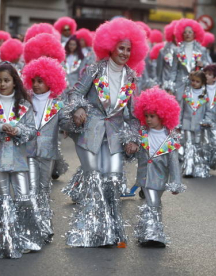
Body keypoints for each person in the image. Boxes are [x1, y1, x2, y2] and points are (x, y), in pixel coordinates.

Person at [64, 18, 147, 247]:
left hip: (114, 137)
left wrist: (132, 139)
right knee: (93, 180)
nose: (125, 53)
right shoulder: (94, 68)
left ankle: (111, 231)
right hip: (90, 133)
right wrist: (79, 108)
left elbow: (131, 116)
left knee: (112, 182)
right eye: (121, 47)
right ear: (110, 46)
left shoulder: (131, 77)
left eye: (129, 49)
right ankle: (87, 231)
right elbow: (75, 93)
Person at [0, 63, 45, 258]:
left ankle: (27, 239)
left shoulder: (24, 104)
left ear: (15, 82)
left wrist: (18, 131)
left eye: (6, 80)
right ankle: (4, 241)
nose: (2, 84)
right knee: (4, 199)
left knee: (23, 197)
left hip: (18, 159)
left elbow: (32, 131)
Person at [132, 86, 186, 247]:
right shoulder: (141, 134)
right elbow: (132, 152)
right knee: (153, 203)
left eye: (152, 116)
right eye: (146, 116)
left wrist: (176, 182)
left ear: (163, 115)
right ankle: (153, 236)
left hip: (161, 178)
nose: (148, 119)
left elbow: (174, 163)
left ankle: (146, 232)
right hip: (145, 176)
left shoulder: (169, 139)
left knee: (154, 203)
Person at [22, 56, 67, 242]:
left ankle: (44, 225)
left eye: (40, 81)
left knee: (44, 188)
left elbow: (65, 123)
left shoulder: (57, 104)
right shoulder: (25, 102)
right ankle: (32, 226)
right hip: (29, 150)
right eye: (33, 81)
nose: (36, 85)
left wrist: (76, 123)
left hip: (47, 153)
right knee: (31, 189)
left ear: (50, 81)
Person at [169, 19, 211, 105]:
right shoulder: (177, 50)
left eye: (190, 32)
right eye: (185, 32)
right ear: (181, 34)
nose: (187, 34)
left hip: (196, 83)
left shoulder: (202, 50)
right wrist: (170, 86)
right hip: (180, 84)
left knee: (193, 107)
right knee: (179, 107)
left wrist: (203, 65)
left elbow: (210, 67)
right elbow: (173, 70)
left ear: (195, 34)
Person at [180, 70, 210, 178]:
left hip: (199, 125)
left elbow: (208, 111)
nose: (194, 83)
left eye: (197, 81)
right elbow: (181, 109)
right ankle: (188, 169)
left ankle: (198, 168)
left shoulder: (205, 95)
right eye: (192, 80)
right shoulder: (186, 93)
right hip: (187, 124)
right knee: (188, 145)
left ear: (202, 83)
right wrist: (178, 123)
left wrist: (207, 121)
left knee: (198, 146)